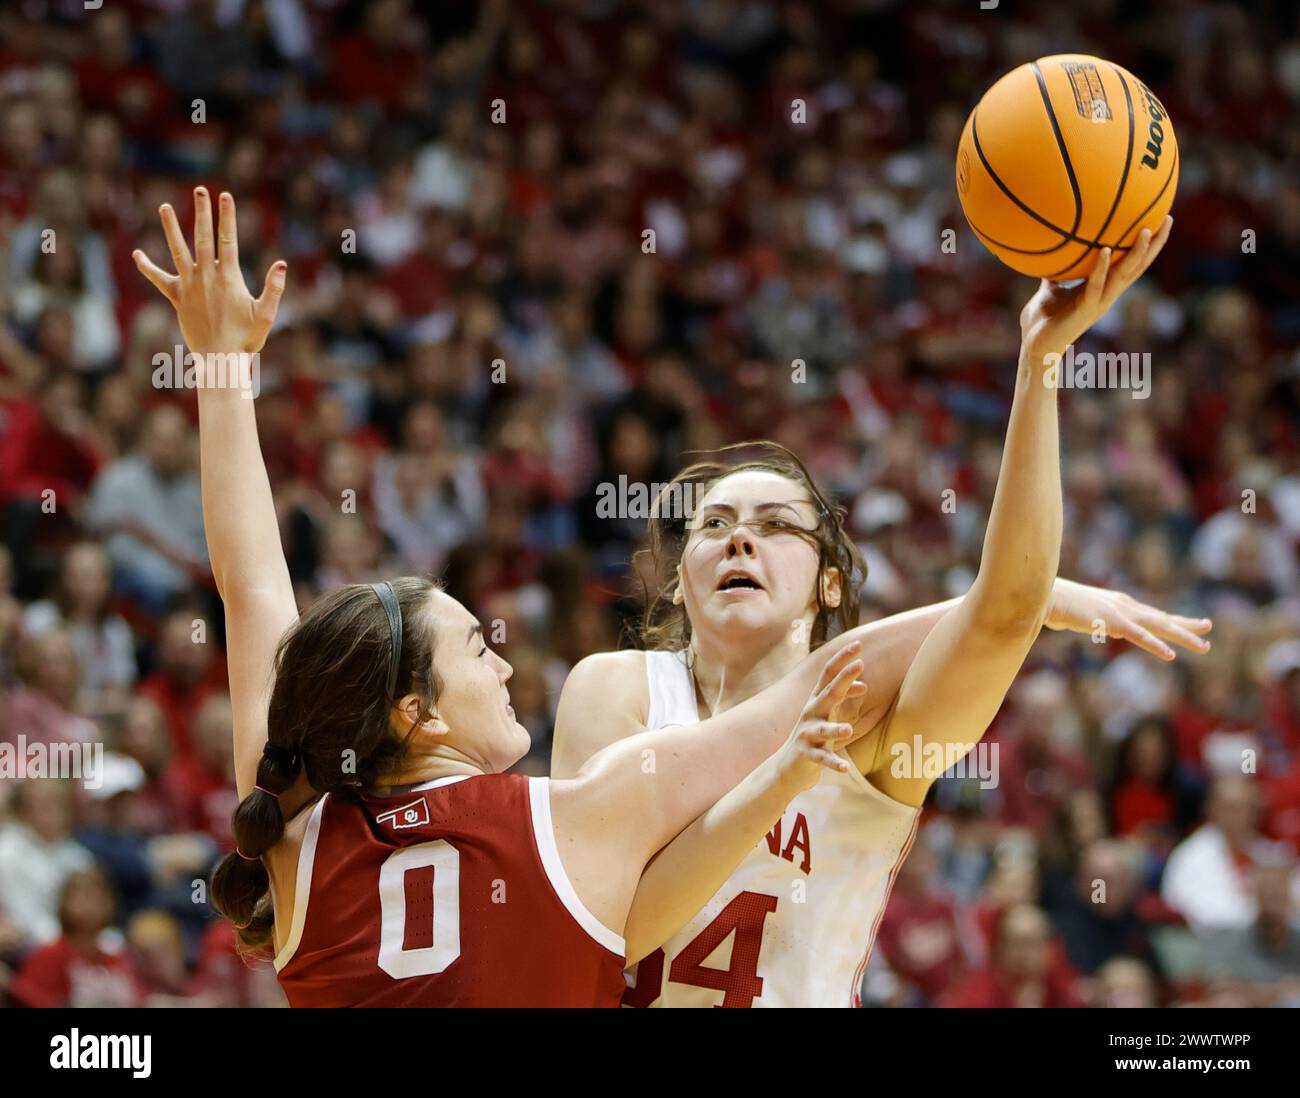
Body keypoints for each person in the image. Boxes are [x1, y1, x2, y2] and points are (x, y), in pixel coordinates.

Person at [132, 188, 886, 1007]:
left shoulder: (294, 837)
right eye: (477, 649)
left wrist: (218, 366)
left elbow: (250, 587)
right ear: (417, 713)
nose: (504, 664)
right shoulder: (567, 822)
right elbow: (783, 718)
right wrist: (1013, 607)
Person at [552, 218, 1205, 1007]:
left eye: (774, 527)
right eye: (714, 526)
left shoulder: (882, 728)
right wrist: (1024, 602)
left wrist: (1040, 364)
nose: (739, 543)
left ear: (830, 585)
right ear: (682, 583)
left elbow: (1001, 615)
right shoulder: (616, 689)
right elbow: (613, 932)